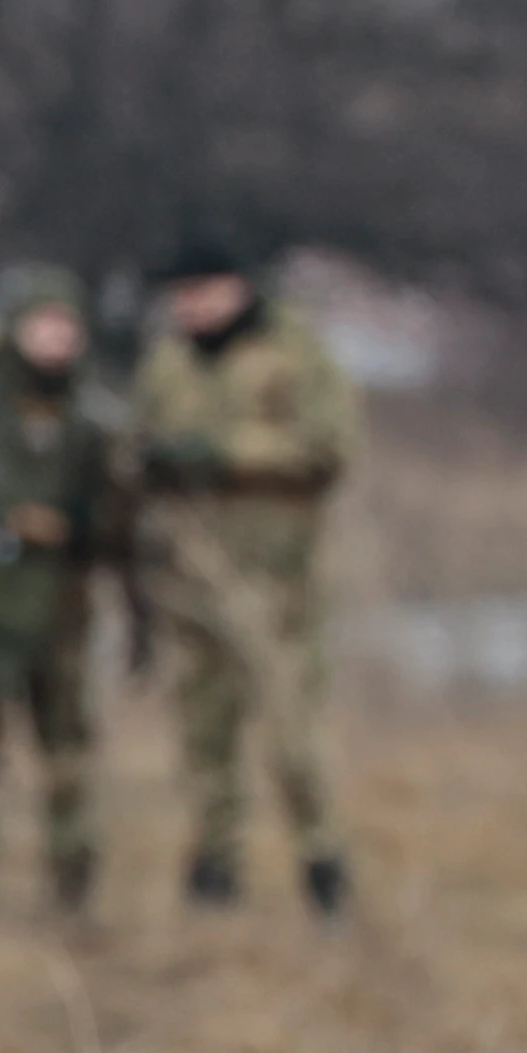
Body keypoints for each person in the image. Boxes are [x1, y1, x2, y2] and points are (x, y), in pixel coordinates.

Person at [126, 238, 357, 918]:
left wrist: (221, 454)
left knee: (293, 736)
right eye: (180, 293)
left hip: (273, 581)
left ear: (236, 287)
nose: (190, 305)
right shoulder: (168, 362)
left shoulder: (294, 352)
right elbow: (141, 445)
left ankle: (324, 868)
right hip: (187, 579)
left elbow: (329, 448)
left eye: (202, 290)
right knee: (203, 738)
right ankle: (213, 874)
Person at [0, 263, 128, 911]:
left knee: (69, 754)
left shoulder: (97, 418)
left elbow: (124, 514)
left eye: (67, 327)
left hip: (61, 613)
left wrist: (74, 527)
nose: (56, 340)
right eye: (43, 325)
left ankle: (75, 886)